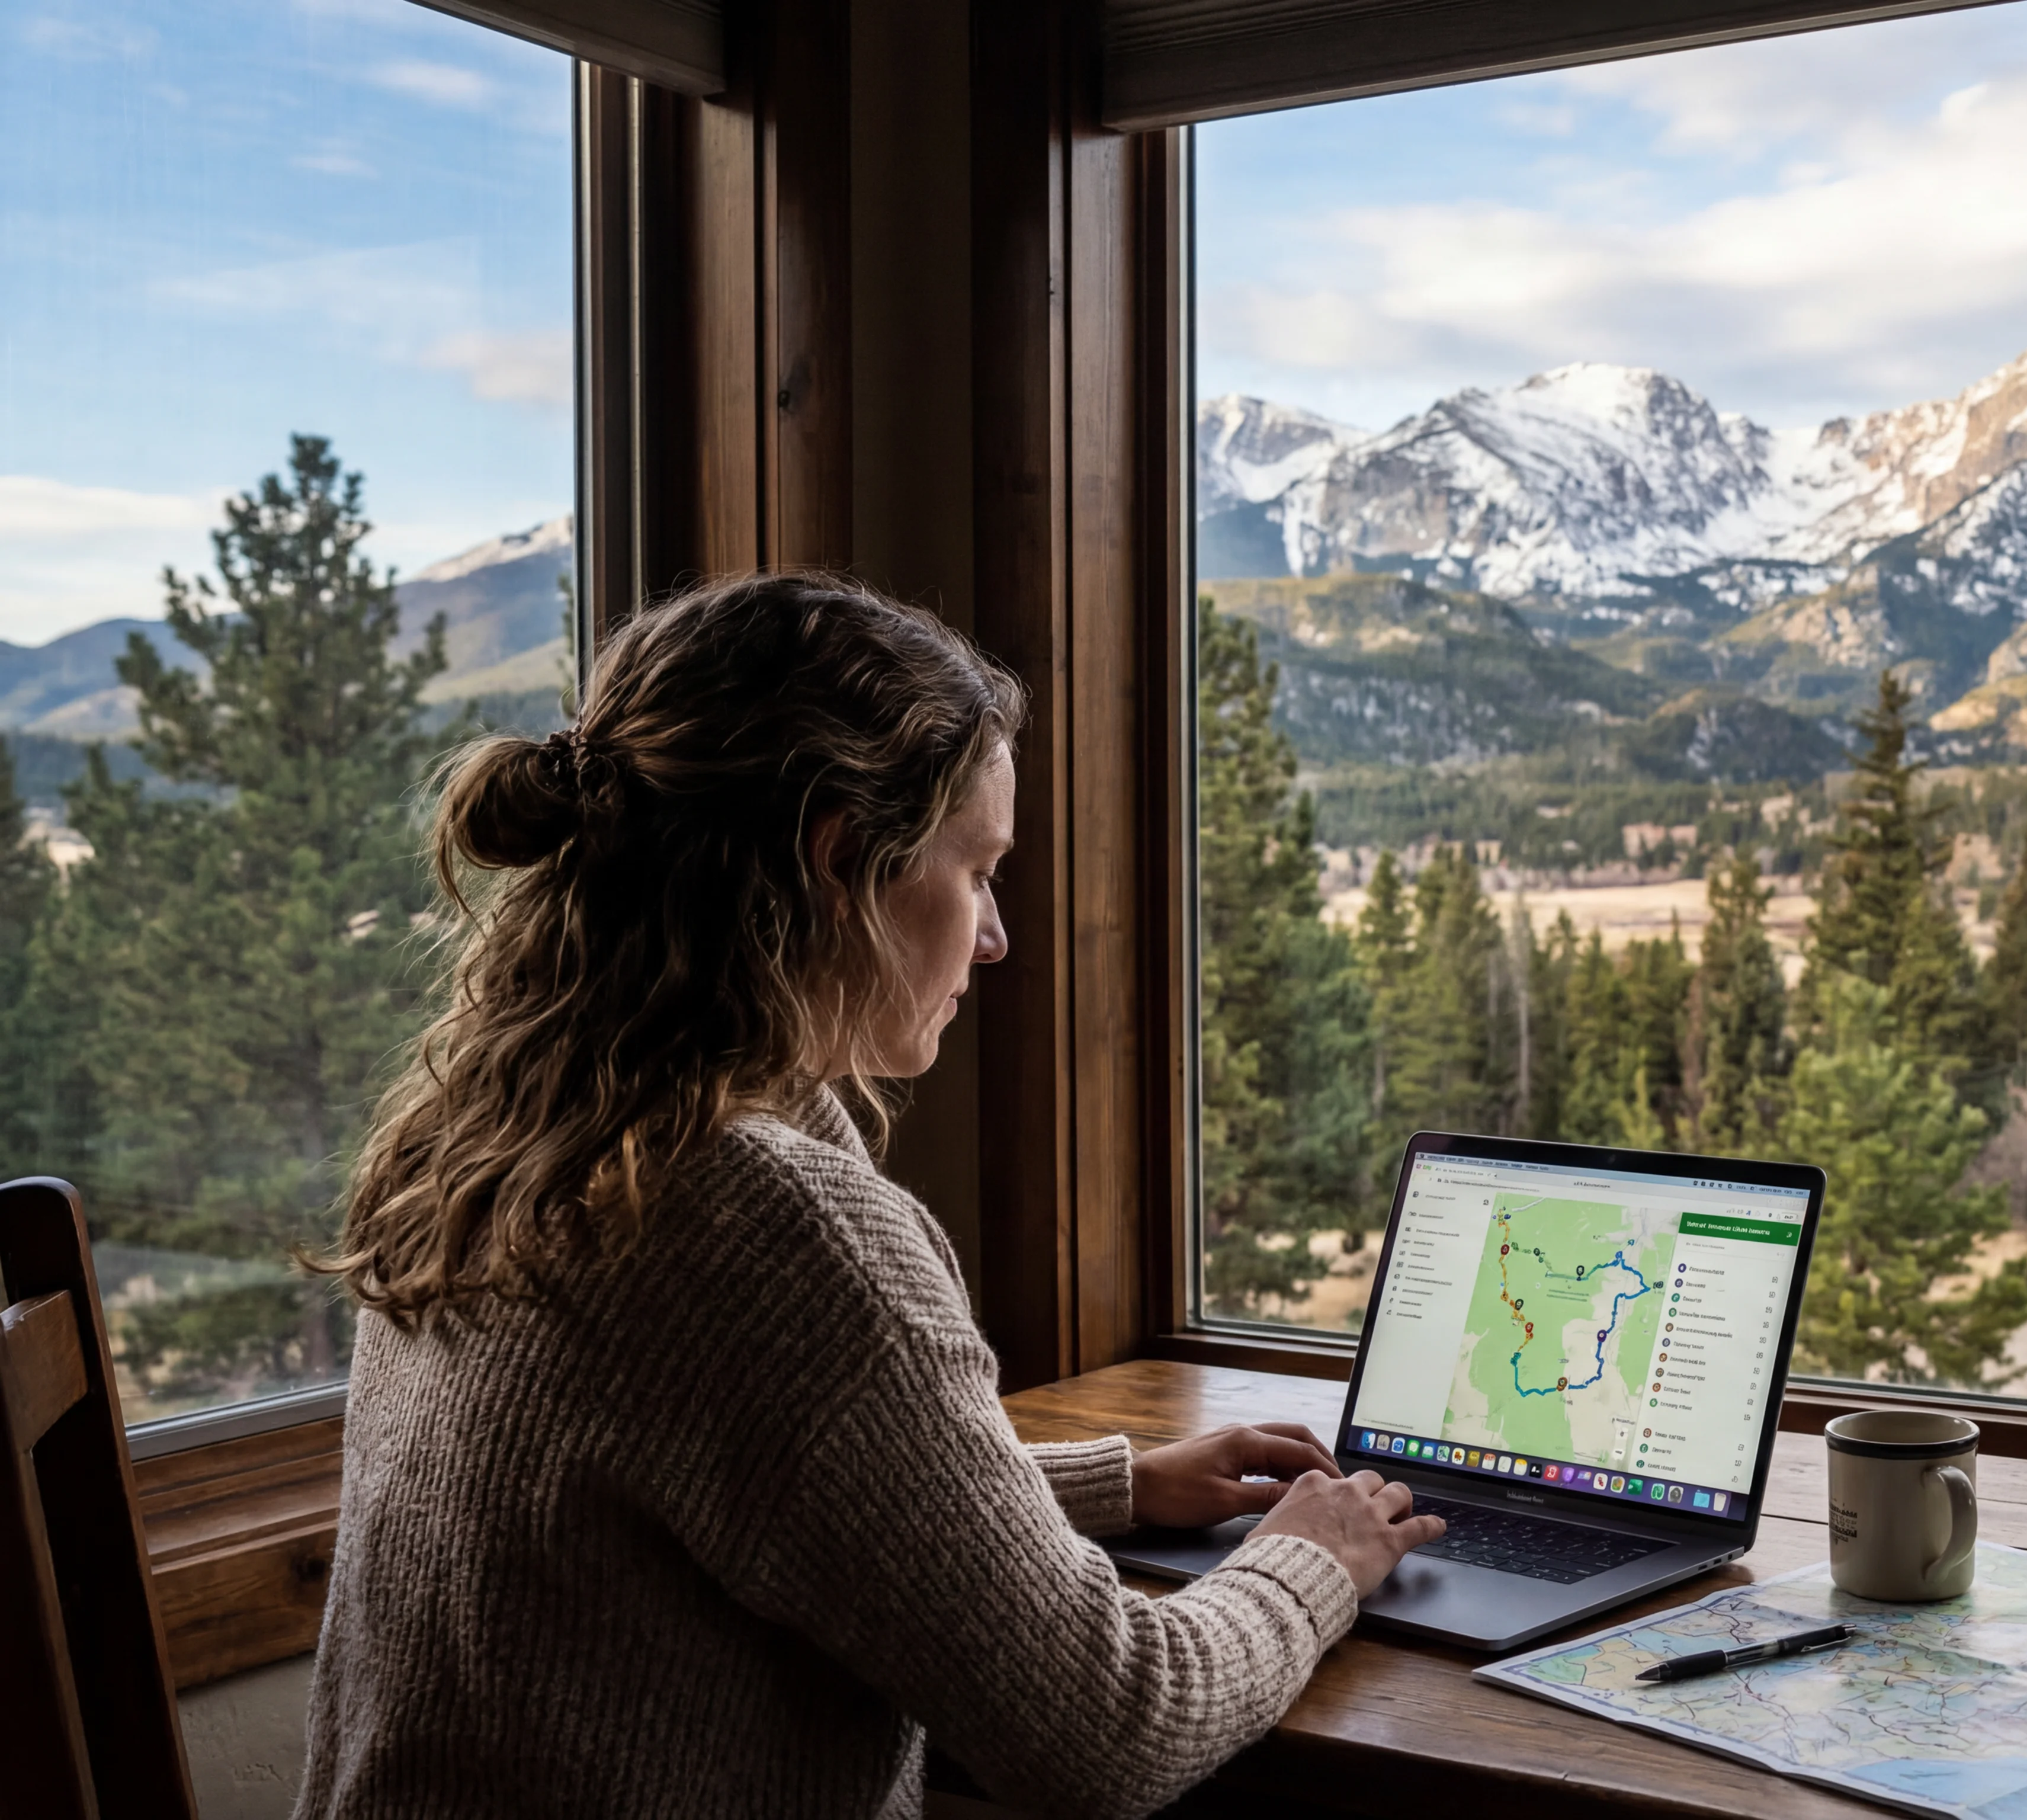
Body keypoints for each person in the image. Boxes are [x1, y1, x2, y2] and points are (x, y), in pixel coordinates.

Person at [296, 573, 1442, 1818]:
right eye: (978, 872)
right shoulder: (764, 1225)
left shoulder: (488, 1131)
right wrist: (1311, 1560)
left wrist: (1118, 1484)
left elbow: (718, 1482)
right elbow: (1115, 1729)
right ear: (840, 860)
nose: (995, 936)